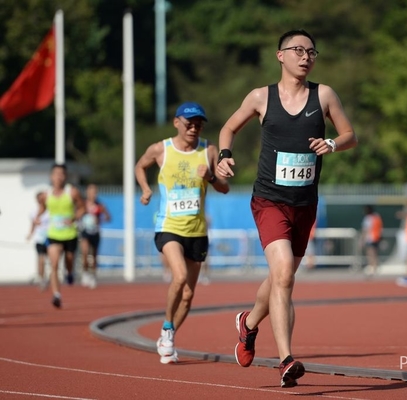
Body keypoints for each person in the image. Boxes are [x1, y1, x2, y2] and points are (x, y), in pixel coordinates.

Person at [216, 29, 358, 388]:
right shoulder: (260, 97)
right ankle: (286, 360)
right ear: (280, 55)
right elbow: (228, 128)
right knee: (284, 276)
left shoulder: (324, 95)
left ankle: (248, 324)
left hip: (304, 204)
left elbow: (350, 136)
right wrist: (224, 155)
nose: (306, 57)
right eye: (298, 50)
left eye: (311, 52)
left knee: (281, 278)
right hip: (269, 200)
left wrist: (332, 144)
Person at [135, 101, 229, 364]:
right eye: (189, 124)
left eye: (199, 125)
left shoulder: (209, 150)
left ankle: (169, 336)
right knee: (179, 276)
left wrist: (210, 177)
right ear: (177, 122)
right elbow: (140, 166)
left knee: (188, 295)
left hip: (197, 231)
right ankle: (167, 326)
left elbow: (225, 188)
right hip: (169, 227)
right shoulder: (161, 149)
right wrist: (145, 189)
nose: (194, 129)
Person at [36, 164, 85, 308]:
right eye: (56, 174)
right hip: (53, 234)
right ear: (51, 176)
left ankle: (70, 273)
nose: (59, 177)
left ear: (65, 176)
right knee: (54, 264)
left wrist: (74, 218)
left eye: (62, 174)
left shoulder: (72, 192)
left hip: (70, 234)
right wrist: (38, 217)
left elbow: (82, 208)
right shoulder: (46, 194)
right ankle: (56, 294)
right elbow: (42, 208)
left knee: (69, 262)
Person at [79, 184, 111, 289]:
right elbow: (76, 215)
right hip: (85, 231)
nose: (93, 194)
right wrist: (82, 212)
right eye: (91, 192)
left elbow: (108, 217)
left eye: (94, 192)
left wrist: (102, 218)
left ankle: (93, 275)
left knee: (94, 256)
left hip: (95, 232)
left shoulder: (99, 205)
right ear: (87, 193)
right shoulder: (83, 204)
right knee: (85, 253)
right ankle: (85, 272)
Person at [27, 191, 50, 290]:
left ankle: (51, 277)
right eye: (40, 199)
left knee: (51, 259)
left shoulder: (50, 210)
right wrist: (30, 234)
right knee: (41, 258)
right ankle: (41, 278)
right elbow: (33, 224)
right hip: (39, 239)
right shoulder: (34, 212)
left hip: (50, 238)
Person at [361, 205, 383, 276]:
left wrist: (362, 240)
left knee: (370, 254)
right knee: (375, 254)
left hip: (370, 238)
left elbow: (366, 230)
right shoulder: (377, 216)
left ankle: (372, 268)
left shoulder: (367, 218)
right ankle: (375, 268)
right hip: (377, 237)